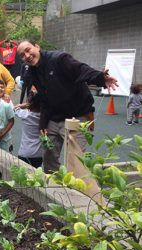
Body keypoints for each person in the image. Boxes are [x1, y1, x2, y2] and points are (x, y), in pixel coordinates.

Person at [17, 39, 118, 172]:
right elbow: (44, 98)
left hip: (77, 116)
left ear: (37, 47)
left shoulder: (59, 59)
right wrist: (43, 123)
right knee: (48, 158)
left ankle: (80, 191)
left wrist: (100, 77)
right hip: (54, 117)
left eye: (28, 50)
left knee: (77, 161)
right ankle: (55, 189)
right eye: (22, 55)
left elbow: (81, 69)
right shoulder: (33, 71)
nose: (27, 56)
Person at [14, 90, 42, 168]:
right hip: (39, 153)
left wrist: (24, 105)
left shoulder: (25, 114)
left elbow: (15, 109)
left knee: (23, 175)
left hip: (25, 152)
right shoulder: (44, 117)